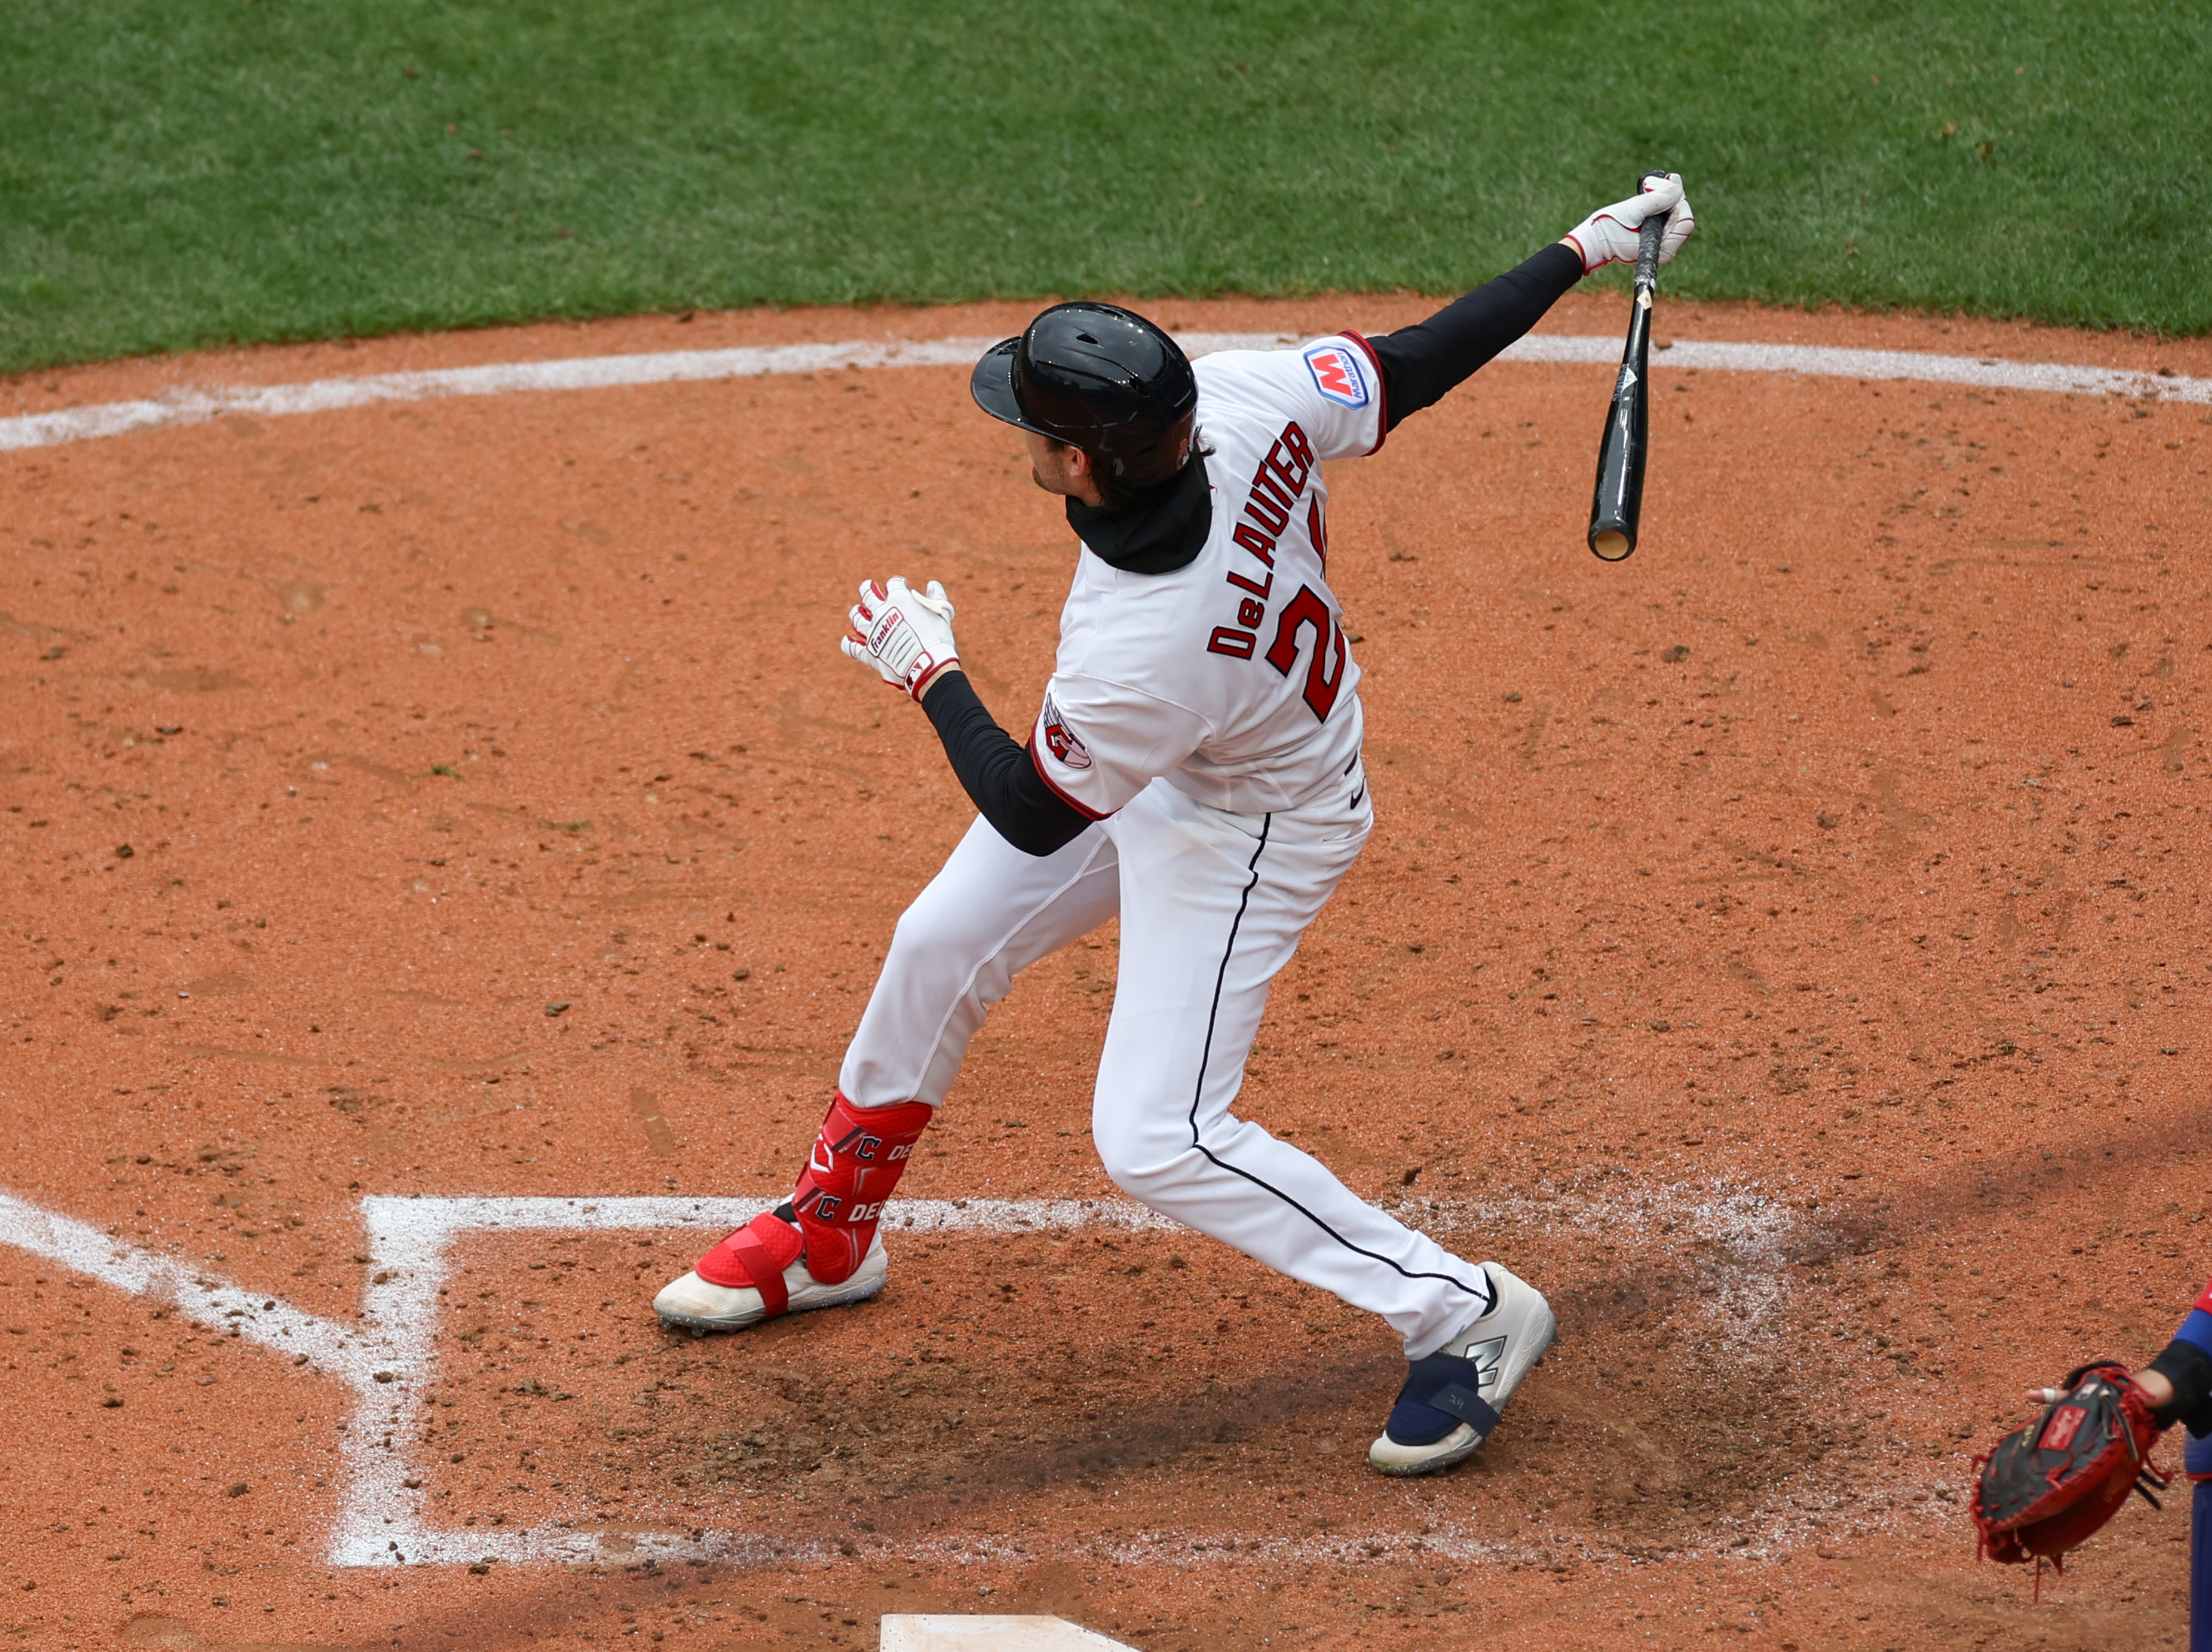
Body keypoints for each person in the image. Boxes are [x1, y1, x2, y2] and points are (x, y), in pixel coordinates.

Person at [654, 174, 1698, 1476]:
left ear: (1081, 463)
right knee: (938, 939)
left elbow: (1037, 810)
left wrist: (929, 672)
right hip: (1193, 744)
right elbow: (1416, 363)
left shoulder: (1138, 646)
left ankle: (1469, 1313)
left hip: (1254, 820)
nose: (1019, 439)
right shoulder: (1240, 399)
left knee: (1157, 1134)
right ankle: (829, 1231)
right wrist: (1582, 248)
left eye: (1031, 428)